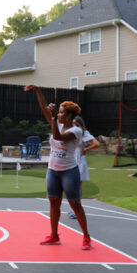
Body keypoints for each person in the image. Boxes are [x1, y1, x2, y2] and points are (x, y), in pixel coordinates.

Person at [24, 85, 93, 250]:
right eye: (59, 112)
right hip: (53, 171)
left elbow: (57, 137)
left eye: (62, 112)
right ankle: (54, 235)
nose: (59, 114)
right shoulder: (58, 123)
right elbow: (43, 108)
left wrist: (54, 118)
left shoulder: (76, 130)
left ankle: (86, 236)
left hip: (69, 171)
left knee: (75, 204)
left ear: (69, 115)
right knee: (54, 203)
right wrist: (38, 91)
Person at [68, 115, 100, 219]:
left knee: (77, 185)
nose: (74, 126)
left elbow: (96, 144)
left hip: (79, 160)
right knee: (71, 185)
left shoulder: (84, 133)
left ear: (81, 125)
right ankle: (74, 208)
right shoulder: (71, 132)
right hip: (72, 159)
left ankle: (77, 210)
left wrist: (86, 150)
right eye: (73, 124)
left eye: (76, 124)